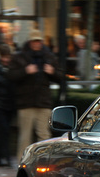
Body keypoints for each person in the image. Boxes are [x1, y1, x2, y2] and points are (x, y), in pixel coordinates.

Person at [7, 29, 62, 161]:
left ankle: (45, 163)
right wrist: (25, 71)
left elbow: (61, 77)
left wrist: (52, 72)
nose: (37, 43)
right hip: (26, 103)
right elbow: (10, 76)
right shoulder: (19, 57)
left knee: (44, 136)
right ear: (30, 42)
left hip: (43, 103)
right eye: (34, 41)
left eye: (39, 41)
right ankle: (22, 163)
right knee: (24, 137)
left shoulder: (49, 57)